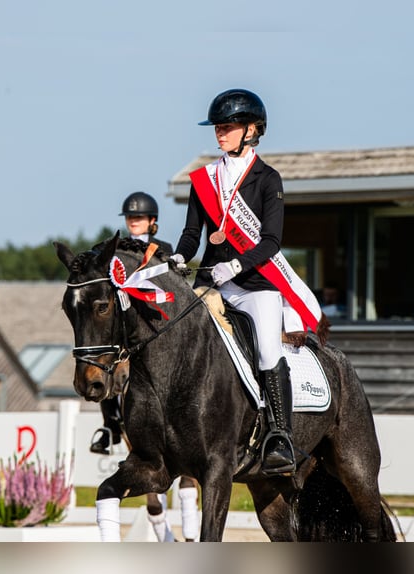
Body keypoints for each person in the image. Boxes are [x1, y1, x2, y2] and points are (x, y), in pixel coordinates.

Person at [170, 89, 327, 476]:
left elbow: (271, 242)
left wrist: (236, 267)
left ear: (252, 130)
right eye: (218, 128)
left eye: (227, 127)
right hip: (212, 283)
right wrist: (178, 256)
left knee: (268, 351)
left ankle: (280, 437)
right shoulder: (204, 180)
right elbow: (193, 235)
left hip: (255, 286)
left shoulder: (267, 180)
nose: (219, 134)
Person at [90, 191, 174, 456]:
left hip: (154, 318)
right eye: (130, 217)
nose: (134, 221)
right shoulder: (117, 247)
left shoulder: (164, 249)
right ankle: (109, 427)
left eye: (139, 217)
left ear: (152, 220)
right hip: (125, 323)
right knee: (105, 363)